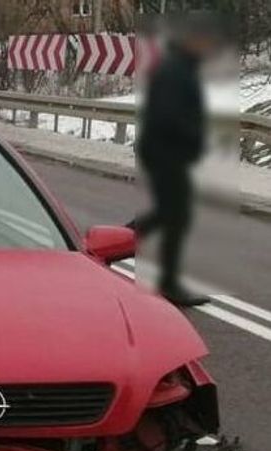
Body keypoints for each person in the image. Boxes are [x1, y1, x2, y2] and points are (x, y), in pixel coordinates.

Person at [128, 17, 223, 308]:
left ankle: (117, 242)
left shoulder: (182, 67)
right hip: (165, 153)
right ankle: (168, 282)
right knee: (176, 216)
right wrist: (195, 135)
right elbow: (169, 116)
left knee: (168, 214)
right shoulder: (175, 70)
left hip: (167, 152)